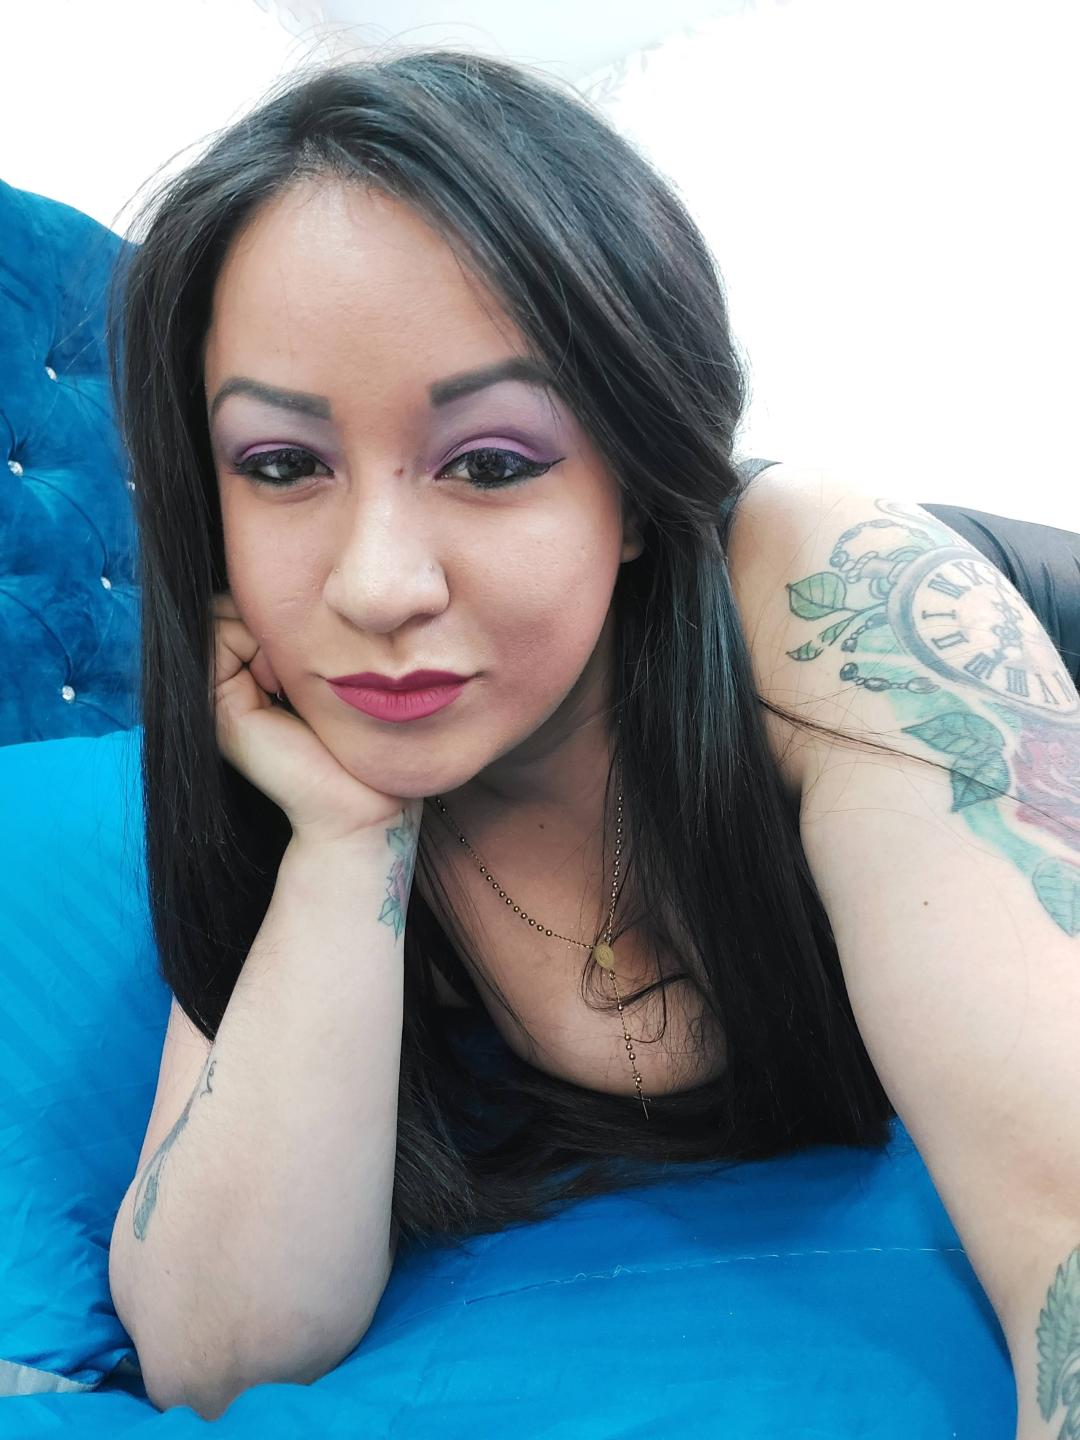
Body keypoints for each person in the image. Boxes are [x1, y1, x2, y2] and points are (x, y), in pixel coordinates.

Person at [104, 48, 1080, 1419]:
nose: (376, 587)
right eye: (282, 466)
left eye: (491, 464)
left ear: (635, 481)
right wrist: (346, 839)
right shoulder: (279, 732)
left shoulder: (829, 601)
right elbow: (217, 1350)